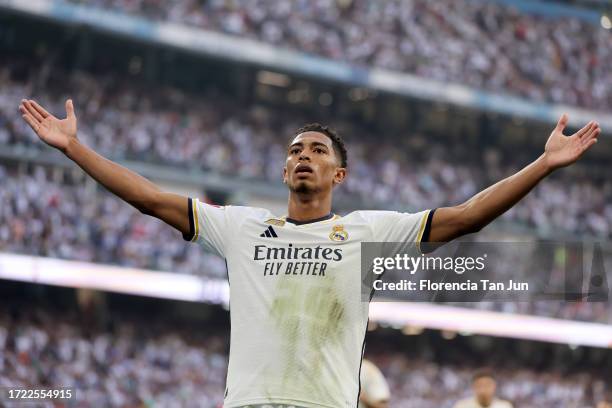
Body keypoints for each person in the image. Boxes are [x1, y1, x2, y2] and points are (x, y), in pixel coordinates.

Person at [19, 98, 600, 407]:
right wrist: (75, 148)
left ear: (338, 173)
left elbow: (467, 218)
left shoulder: (367, 233)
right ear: (283, 167)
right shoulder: (241, 228)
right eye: (295, 149)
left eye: (317, 150)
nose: (303, 155)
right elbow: (150, 199)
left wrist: (543, 164)